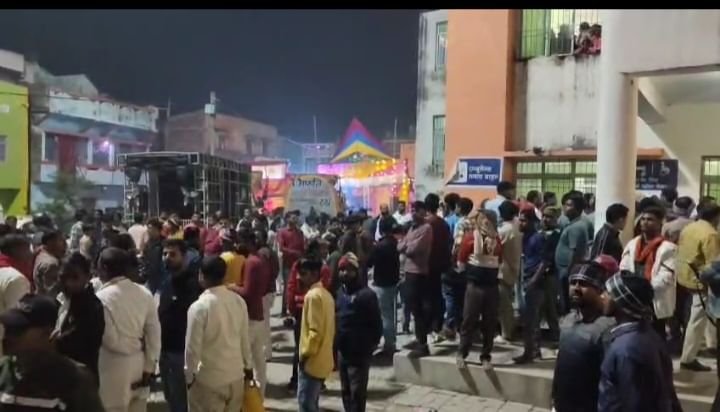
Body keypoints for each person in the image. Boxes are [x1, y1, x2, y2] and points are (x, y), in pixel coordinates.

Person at [0, 293, 105, 411]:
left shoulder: (73, 380)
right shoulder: (3, 371)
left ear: (46, 334)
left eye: (16, 331)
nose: (7, 336)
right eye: (7, 328)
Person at [599, 272, 682, 411]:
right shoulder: (646, 334)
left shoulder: (626, 350)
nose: (602, 296)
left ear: (622, 300)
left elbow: (635, 402)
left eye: (608, 293)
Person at [96, 247, 161, 412]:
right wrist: (149, 366)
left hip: (112, 368)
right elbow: (154, 334)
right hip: (139, 365)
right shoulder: (144, 293)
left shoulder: (101, 298)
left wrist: (131, 347)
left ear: (104, 268)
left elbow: (109, 339)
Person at [185, 256, 254, 412]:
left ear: (201, 275)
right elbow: (244, 339)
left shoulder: (199, 307)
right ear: (224, 276)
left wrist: (189, 378)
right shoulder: (238, 301)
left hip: (209, 380)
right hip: (235, 377)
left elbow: (192, 349)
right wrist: (248, 367)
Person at [551, 263, 615, 412]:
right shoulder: (567, 321)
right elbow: (560, 366)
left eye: (584, 284)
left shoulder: (607, 328)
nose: (576, 288)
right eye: (573, 282)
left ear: (599, 289)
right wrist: (554, 399)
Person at [619, 206, 677, 341]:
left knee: (656, 337)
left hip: (654, 300)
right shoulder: (633, 244)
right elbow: (624, 267)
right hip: (633, 298)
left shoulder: (668, 248)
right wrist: (632, 287)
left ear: (660, 223)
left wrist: (644, 289)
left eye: (650, 219)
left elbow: (666, 277)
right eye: (643, 219)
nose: (644, 222)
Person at [336, 252, 382, 412]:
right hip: (342, 352)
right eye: (342, 270)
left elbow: (377, 326)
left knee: (357, 394)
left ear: (356, 272)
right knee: (345, 391)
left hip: (359, 354)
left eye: (349, 270)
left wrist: (368, 347)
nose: (344, 273)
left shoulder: (367, 295)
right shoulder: (340, 293)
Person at [159, 238, 201, 412]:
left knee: (181, 402)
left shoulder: (192, 285)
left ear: (184, 257)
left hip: (181, 353)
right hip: (165, 351)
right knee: (171, 398)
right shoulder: (167, 281)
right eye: (164, 254)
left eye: (172, 254)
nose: (167, 258)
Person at [514, 207, 561, 364]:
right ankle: (532, 350)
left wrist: (533, 280)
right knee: (529, 319)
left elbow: (545, 261)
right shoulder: (527, 237)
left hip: (536, 282)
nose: (520, 223)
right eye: (520, 220)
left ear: (531, 222)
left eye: (523, 220)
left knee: (532, 319)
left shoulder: (538, 238)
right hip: (528, 279)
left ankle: (532, 351)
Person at [456, 210, 502, 369]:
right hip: (474, 286)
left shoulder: (496, 240)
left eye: (490, 219)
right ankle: (462, 353)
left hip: (492, 286)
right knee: (469, 320)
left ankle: (486, 356)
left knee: (490, 322)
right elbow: (461, 261)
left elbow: (499, 260)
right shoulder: (470, 238)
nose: (486, 222)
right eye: (484, 219)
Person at [677, 203, 720, 371]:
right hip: (701, 281)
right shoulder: (711, 234)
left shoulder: (690, 227)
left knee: (703, 314)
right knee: (697, 320)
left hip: (685, 276)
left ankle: (711, 344)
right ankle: (688, 358)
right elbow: (714, 265)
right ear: (716, 216)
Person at [286, 239, 332, 391]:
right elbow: (324, 288)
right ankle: (310, 379)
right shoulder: (319, 269)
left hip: (301, 310)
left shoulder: (300, 265)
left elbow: (291, 287)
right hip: (308, 310)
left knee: (302, 346)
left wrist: (292, 308)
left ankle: (298, 380)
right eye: (323, 249)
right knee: (311, 346)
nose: (325, 251)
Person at [229, 232, 271, 395]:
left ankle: (247, 396)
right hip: (257, 315)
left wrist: (232, 287)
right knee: (259, 359)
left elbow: (247, 292)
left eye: (239, 242)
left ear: (248, 243)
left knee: (244, 360)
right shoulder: (261, 261)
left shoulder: (251, 262)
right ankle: (260, 395)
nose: (237, 245)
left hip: (250, 317)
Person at [54, 252, 105, 382]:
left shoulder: (92, 306)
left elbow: (76, 342)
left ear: (87, 277)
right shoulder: (61, 299)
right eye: (64, 277)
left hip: (81, 378)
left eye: (74, 277)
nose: (68, 283)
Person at [296, 254, 336, 412]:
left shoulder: (313, 296)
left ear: (314, 274)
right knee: (312, 402)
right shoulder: (326, 294)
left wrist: (304, 356)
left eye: (303, 273)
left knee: (306, 404)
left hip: (312, 362)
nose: (299, 278)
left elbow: (315, 332)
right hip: (322, 359)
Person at [398, 200, 433, 358]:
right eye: (412, 209)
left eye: (416, 210)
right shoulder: (412, 228)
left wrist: (406, 246)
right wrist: (406, 245)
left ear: (423, 212)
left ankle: (422, 344)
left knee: (418, 309)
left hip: (419, 273)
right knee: (412, 307)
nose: (413, 213)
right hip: (408, 272)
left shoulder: (426, 228)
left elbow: (413, 249)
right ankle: (419, 339)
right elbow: (400, 246)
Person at [442, 197, 474, 340]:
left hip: (459, 264)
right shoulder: (473, 222)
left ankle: (450, 326)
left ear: (459, 208)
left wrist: (453, 261)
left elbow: (458, 245)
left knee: (451, 296)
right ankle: (462, 327)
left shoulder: (461, 223)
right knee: (462, 297)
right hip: (471, 263)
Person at [368, 216, 400, 355]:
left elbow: (369, 262)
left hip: (382, 283)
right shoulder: (396, 243)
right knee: (392, 313)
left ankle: (389, 344)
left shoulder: (379, 246)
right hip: (394, 281)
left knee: (385, 315)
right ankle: (391, 340)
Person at [555, 192, 589, 315]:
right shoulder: (573, 224)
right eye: (565, 204)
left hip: (567, 270)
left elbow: (574, 252)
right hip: (564, 269)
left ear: (578, 208)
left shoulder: (576, 227)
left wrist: (568, 272)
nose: (565, 208)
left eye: (569, 205)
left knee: (567, 301)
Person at [424, 193, 452, 343]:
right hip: (442, 265)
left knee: (428, 298)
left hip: (427, 266)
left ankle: (429, 328)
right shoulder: (443, 224)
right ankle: (437, 326)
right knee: (439, 297)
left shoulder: (425, 224)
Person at [497, 200, 521, 343]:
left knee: (504, 305)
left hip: (503, 270)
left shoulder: (503, 230)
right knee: (507, 303)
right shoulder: (517, 226)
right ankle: (508, 329)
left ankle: (506, 333)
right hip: (514, 266)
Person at [278, 211, 305, 317]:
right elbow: (281, 248)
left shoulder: (300, 232)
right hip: (288, 264)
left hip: (299, 263)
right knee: (287, 287)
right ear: (287, 219)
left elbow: (302, 247)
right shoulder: (282, 232)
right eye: (293, 217)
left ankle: (296, 308)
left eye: (296, 218)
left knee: (299, 286)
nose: (295, 219)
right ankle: (284, 309)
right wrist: (294, 253)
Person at [0, 234, 32, 313]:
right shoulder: (16, 278)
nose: (30, 253)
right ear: (15, 251)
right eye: (26, 249)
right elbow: (18, 315)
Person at [33, 230, 67, 298]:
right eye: (61, 240)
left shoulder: (42, 253)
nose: (65, 244)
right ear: (50, 242)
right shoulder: (51, 264)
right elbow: (51, 293)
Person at [142, 218, 166, 294]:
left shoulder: (164, 243)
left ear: (157, 229)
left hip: (161, 278)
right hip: (150, 277)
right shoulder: (148, 244)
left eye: (150, 228)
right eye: (148, 228)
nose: (148, 230)